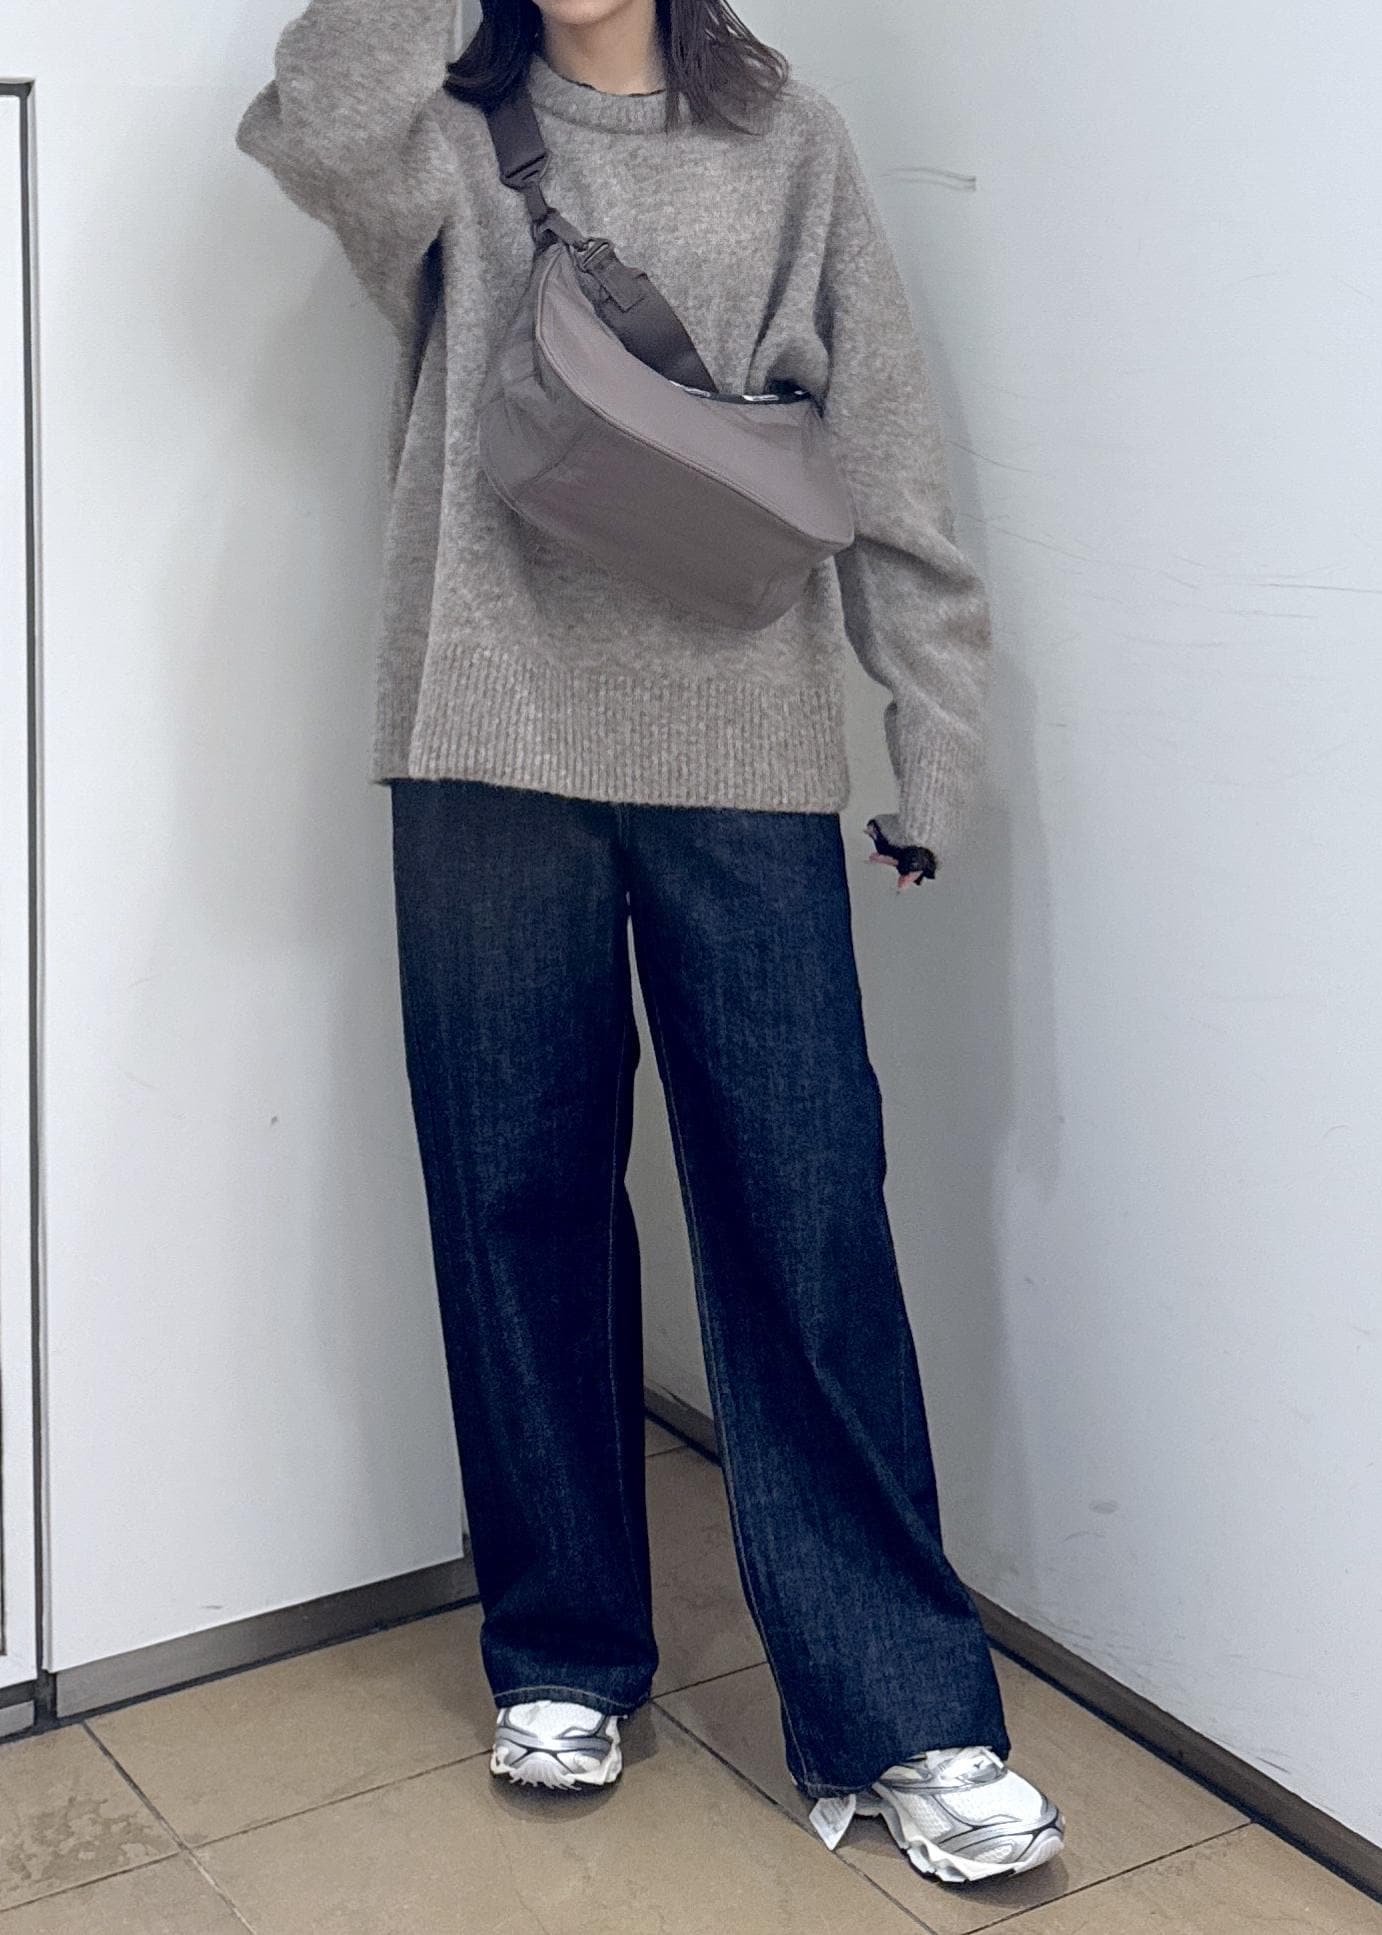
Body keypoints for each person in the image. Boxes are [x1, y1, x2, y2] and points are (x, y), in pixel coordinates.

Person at [237, 0, 1066, 1886]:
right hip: (481, 739)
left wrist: (930, 743)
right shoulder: (439, 133)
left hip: (741, 753)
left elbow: (887, 457)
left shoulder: (787, 139)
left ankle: (903, 1709)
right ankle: (559, 1652)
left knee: (804, 1215)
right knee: (513, 1202)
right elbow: (309, 121)